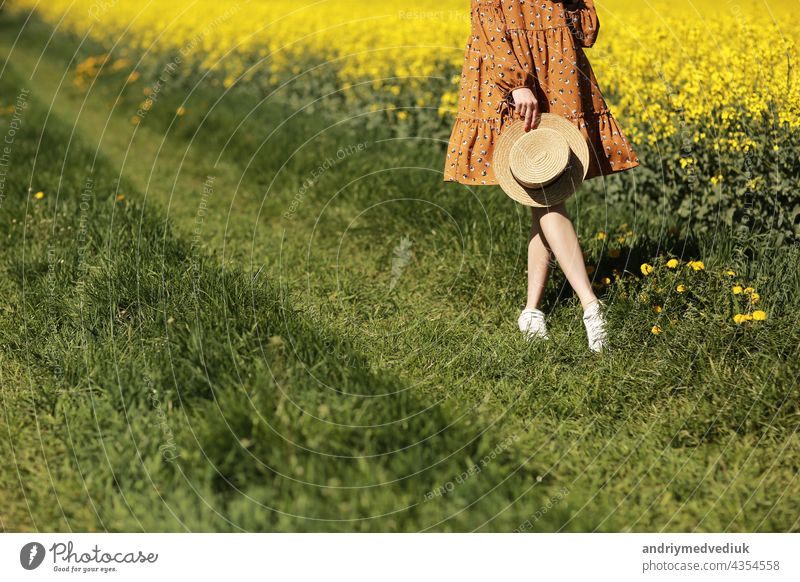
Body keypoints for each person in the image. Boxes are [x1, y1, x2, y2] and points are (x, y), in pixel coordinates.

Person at [443, 0, 639, 352]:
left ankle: (532, 311)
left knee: (543, 195)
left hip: (557, 71)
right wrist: (515, 84)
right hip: (516, 84)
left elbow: (586, 30)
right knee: (548, 193)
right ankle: (591, 305)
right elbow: (486, 22)